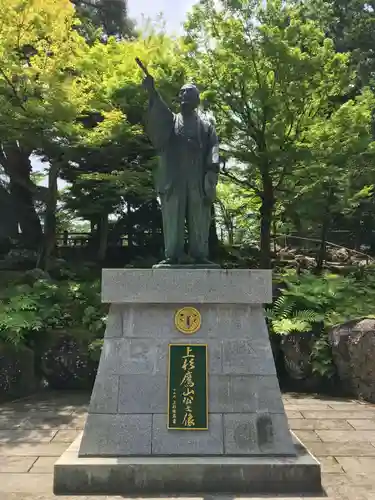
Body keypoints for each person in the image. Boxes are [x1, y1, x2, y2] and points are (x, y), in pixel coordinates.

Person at [142, 73, 220, 266]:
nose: (185, 95)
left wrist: (212, 169)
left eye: (190, 93)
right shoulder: (172, 121)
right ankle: (173, 255)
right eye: (182, 92)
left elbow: (214, 148)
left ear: (196, 100)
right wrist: (152, 92)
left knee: (199, 217)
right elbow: (159, 113)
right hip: (174, 177)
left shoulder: (206, 126)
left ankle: (199, 254)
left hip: (197, 177)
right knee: (172, 215)